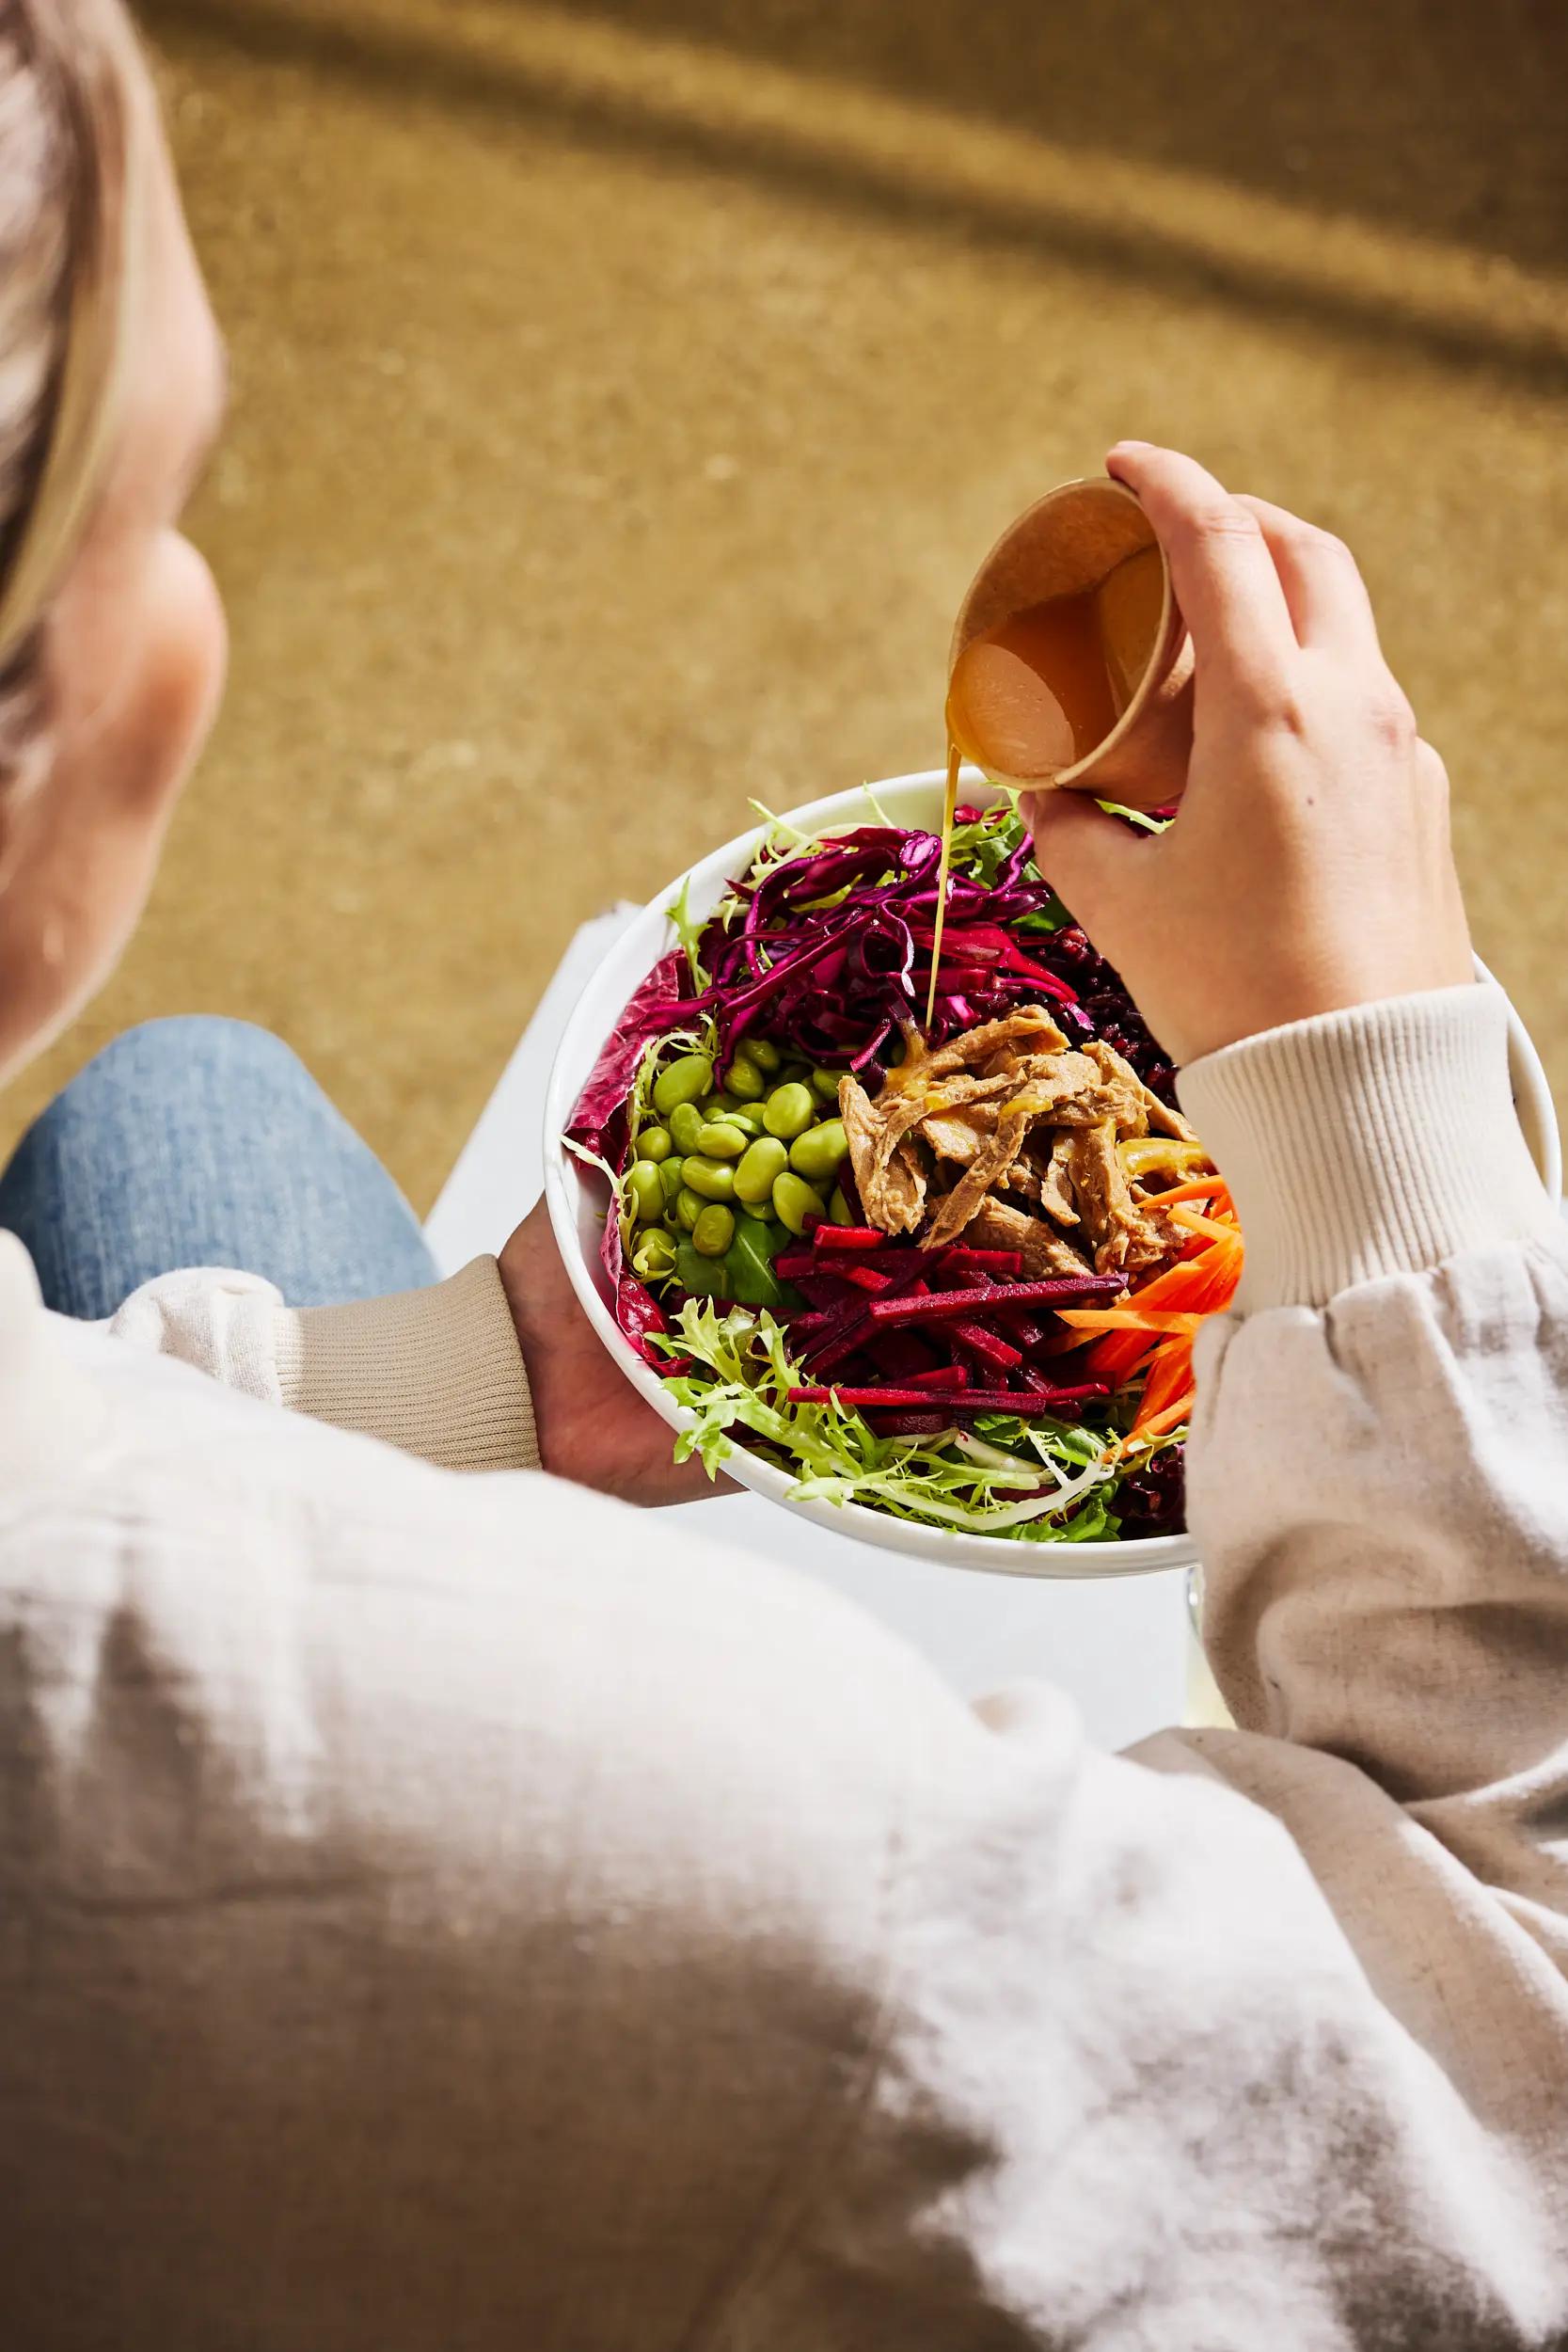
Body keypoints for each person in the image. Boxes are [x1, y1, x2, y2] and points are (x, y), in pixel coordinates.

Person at [0, 2, 1563, 2344]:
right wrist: (1377, 1109)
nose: (193, 610)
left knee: (171, 1097)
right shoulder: (775, 1858)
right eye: (149, 513)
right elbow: (1495, 2109)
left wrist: (472, 1385)